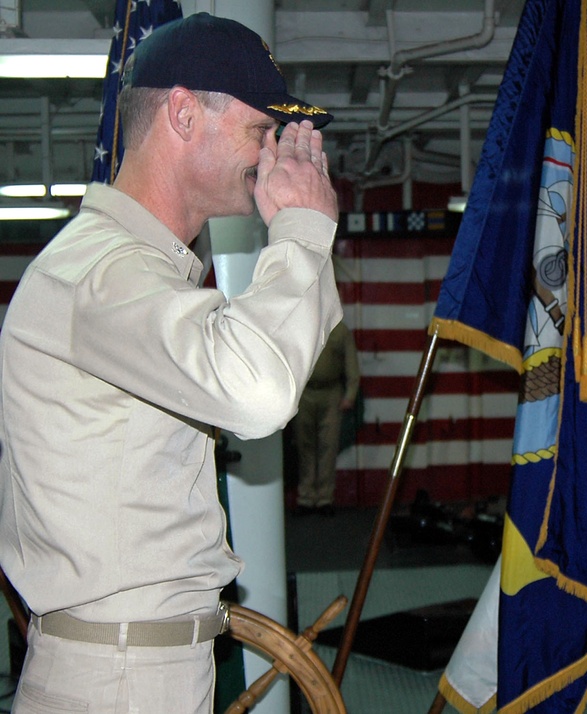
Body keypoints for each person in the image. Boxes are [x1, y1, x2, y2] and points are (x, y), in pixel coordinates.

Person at [0, 13, 341, 713]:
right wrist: (301, 229)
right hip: (121, 679)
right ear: (184, 114)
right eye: (260, 129)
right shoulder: (103, 276)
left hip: (138, 667)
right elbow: (258, 394)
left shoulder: (135, 274)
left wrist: (301, 234)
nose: (273, 150)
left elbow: (273, 357)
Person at [293, 320, 360, 514]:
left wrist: (350, 394)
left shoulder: (339, 331)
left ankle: (324, 498)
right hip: (304, 394)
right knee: (304, 446)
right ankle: (305, 497)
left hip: (331, 393)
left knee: (327, 447)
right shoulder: (301, 327)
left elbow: (351, 363)